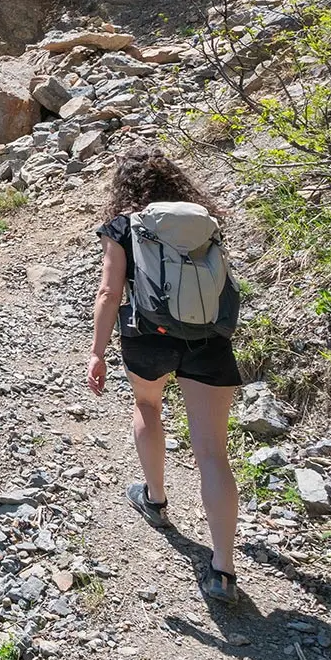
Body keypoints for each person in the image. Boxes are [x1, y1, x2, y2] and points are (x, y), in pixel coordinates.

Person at [86, 148, 242, 603]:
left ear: (125, 188)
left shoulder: (122, 226)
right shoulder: (205, 221)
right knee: (213, 453)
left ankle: (154, 498)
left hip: (147, 335)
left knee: (147, 406)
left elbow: (109, 291)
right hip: (209, 339)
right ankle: (223, 571)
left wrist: (96, 353)